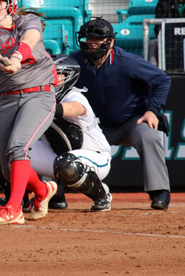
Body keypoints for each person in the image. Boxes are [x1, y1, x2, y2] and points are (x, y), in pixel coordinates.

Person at [0, 0, 59, 225]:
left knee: (18, 148)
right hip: (8, 100)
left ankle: (14, 209)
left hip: (39, 94)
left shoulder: (26, 21)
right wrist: (2, 60)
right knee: (9, 167)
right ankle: (42, 192)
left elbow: (31, 38)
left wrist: (17, 57)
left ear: (11, 5)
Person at [0, 55, 113, 212]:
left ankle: (102, 195)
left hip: (95, 156)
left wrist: (36, 107)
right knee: (7, 153)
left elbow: (74, 108)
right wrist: (2, 126)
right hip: (56, 157)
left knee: (67, 164)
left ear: (69, 76)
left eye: (55, 74)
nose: (48, 78)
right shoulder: (38, 99)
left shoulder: (74, 95)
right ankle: (18, 199)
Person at [71, 18, 172, 210]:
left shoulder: (128, 62)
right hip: (93, 127)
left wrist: (152, 111)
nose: (92, 43)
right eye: (88, 38)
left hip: (130, 122)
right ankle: (55, 194)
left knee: (149, 135)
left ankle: (160, 192)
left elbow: (162, 80)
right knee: (64, 138)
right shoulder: (75, 62)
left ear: (110, 41)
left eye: (97, 39)